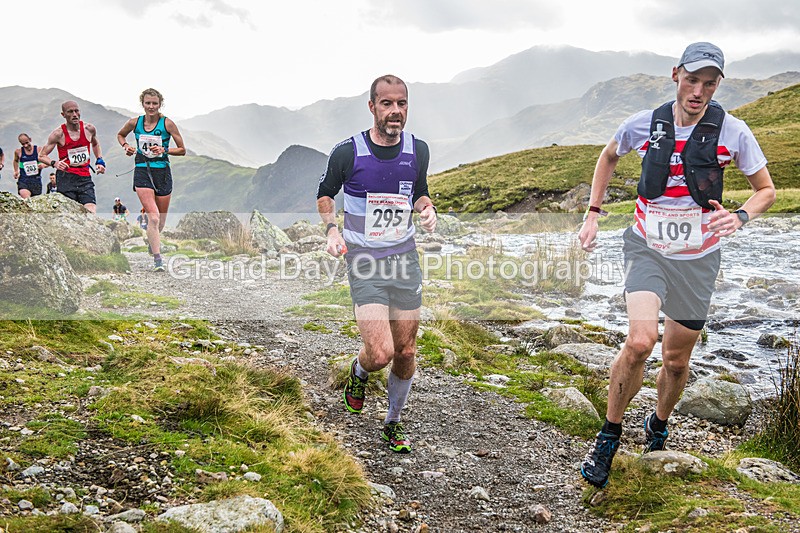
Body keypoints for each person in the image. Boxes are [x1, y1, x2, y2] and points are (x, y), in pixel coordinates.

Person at [577, 42, 776, 488]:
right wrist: (593, 212)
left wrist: (741, 215)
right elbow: (608, 156)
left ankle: (659, 424)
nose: (699, 91)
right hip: (646, 247)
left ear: (718, 85)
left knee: (676, 360)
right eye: (692, 80)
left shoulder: (734, 132)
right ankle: (608, 435)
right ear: (675, 75)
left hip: (699, 259)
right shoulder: (644, 125)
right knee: (642, 340)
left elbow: (766, 190)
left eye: (709, 83)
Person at [317, 74, 437, 453]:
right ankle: (359, 370)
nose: (395, 111)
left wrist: (427, 208)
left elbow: (418, 192)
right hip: (365, 260)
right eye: (387, 104)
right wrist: (332, 231)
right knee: (380, 354)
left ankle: (392, 422)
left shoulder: (418, 150)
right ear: (372, 107)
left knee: (405, 352)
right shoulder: (348, 152)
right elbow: (325, 194)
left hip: (404, 259)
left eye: (401, 103)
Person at [117, 88, 186, 272]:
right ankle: (158, 260)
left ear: (160, 104)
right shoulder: (135, 122)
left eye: (155, 103)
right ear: (143, 103)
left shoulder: (167, 124)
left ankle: (152, 239)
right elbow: (120, 134)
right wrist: (126, 146)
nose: (151, 106)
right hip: (142, 170)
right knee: (153, 218)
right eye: (148, 103)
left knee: (160, 222)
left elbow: (182, 149)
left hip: (162, 172)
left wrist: (165, 150)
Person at [38, 101, 106, 213]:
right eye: (70, 112)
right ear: (63, 115)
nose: (74, 114)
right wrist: (55, 163)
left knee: (91, 211)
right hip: (66, 177)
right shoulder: (58, 134)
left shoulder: (89, 129)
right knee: (71, 214)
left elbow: (95, 144)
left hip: (84, 176)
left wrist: (99, 160)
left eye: (76, 111)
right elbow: (41, 156)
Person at [13, 134, 46, 198]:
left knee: (35, 202)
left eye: (27, 143)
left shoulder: (39, 150)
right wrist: (16, 171)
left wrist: (43, 165)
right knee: (26, 198)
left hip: (36, 180)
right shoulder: (18, 152)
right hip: (23, 180)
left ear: (30, 140)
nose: (25, 145)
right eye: (23, 144)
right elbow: (15, 161)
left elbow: (48, 162)